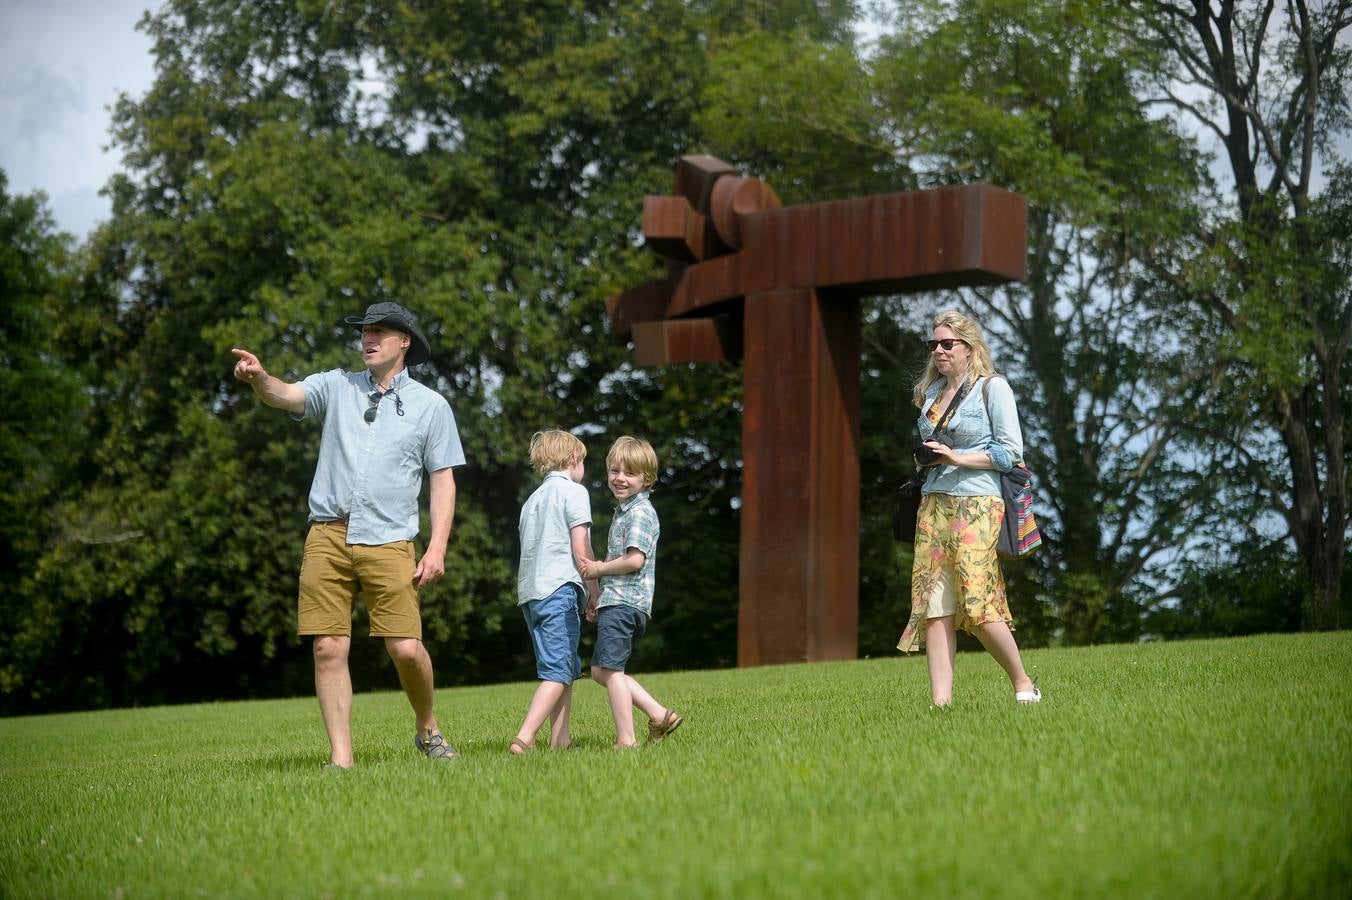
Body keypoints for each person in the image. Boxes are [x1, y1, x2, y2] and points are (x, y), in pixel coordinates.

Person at [231, 301, 466, 768]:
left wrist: (437, 546)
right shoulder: (336, 386)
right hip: (327, 535)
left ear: (405, 342)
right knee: (327, 647)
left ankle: (427, 728)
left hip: (390, 539)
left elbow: (443, 480)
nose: (368, 339)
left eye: (380, 332)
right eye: (364, 331)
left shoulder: (431, 406)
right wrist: (260, 377)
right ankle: (342, 759)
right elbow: (286, 395)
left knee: (404, 647)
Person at [897, 310, 1041, 707]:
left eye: (947, 344)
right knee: (935, 605)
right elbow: (936, 452)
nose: (939, 351)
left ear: (969, 347)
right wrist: (928, 458)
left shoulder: (994, 389)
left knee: (976, 601)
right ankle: (940, 705)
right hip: (934, 502)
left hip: (978, 503)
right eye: (934, 345)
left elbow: (1010, 453)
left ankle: (1023, 682)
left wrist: (956, 457)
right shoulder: (930, 395)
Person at [578, 436, 683, 748]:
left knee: (607, 670)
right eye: (614, 470)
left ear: (647, 479)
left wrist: (597, 570)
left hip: (626, 603)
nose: (619, 478)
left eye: (629, 473)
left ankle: (627, 739)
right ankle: (659, 714)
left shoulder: (639, 513)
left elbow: (635, 560)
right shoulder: (625, 510)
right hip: (620, 602)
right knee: (603, 671)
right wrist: (600, 597)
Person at [509, 430, 600, 754]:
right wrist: (594, 590)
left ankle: (560, 740)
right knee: (557, 671)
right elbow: (581, 547)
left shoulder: (531, 501)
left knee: (563, 668)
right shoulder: (574, 493)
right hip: (559, 590)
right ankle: (524, 738)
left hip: (532, 594)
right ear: (573, 459)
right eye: (583, 461)